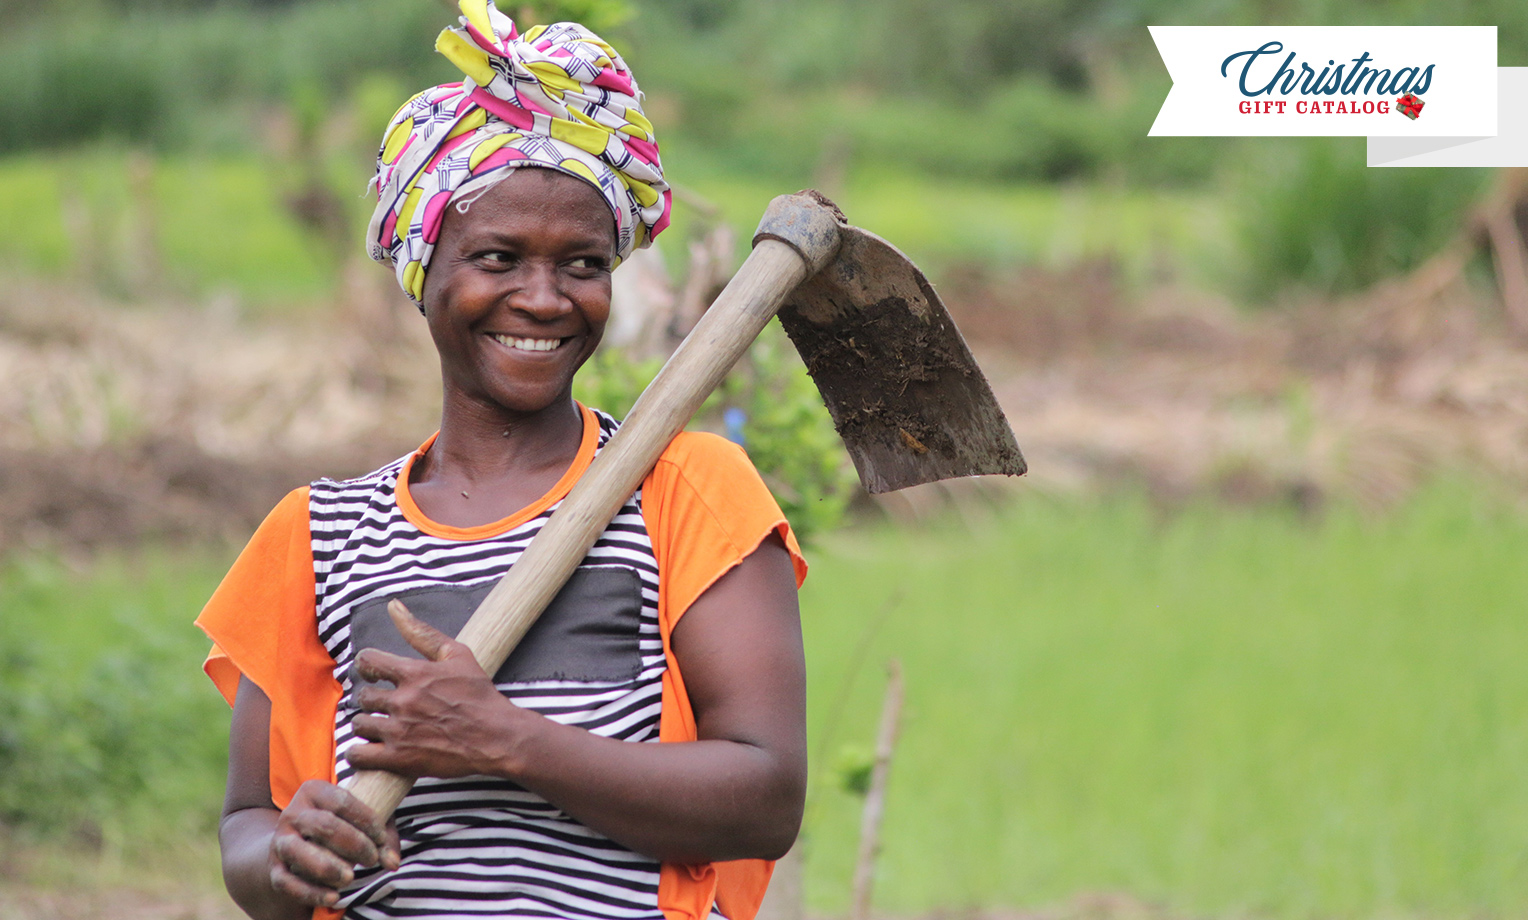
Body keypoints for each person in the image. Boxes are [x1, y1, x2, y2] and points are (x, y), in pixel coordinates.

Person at [195, 4, 809, 919]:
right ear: (423, 268)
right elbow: (248, 825)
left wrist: (505, 741)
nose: (544, 298)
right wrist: (287, 852)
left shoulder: (687, 494)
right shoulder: (317, 538)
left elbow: (765, 799)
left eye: (583, 264)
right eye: (498, 257)